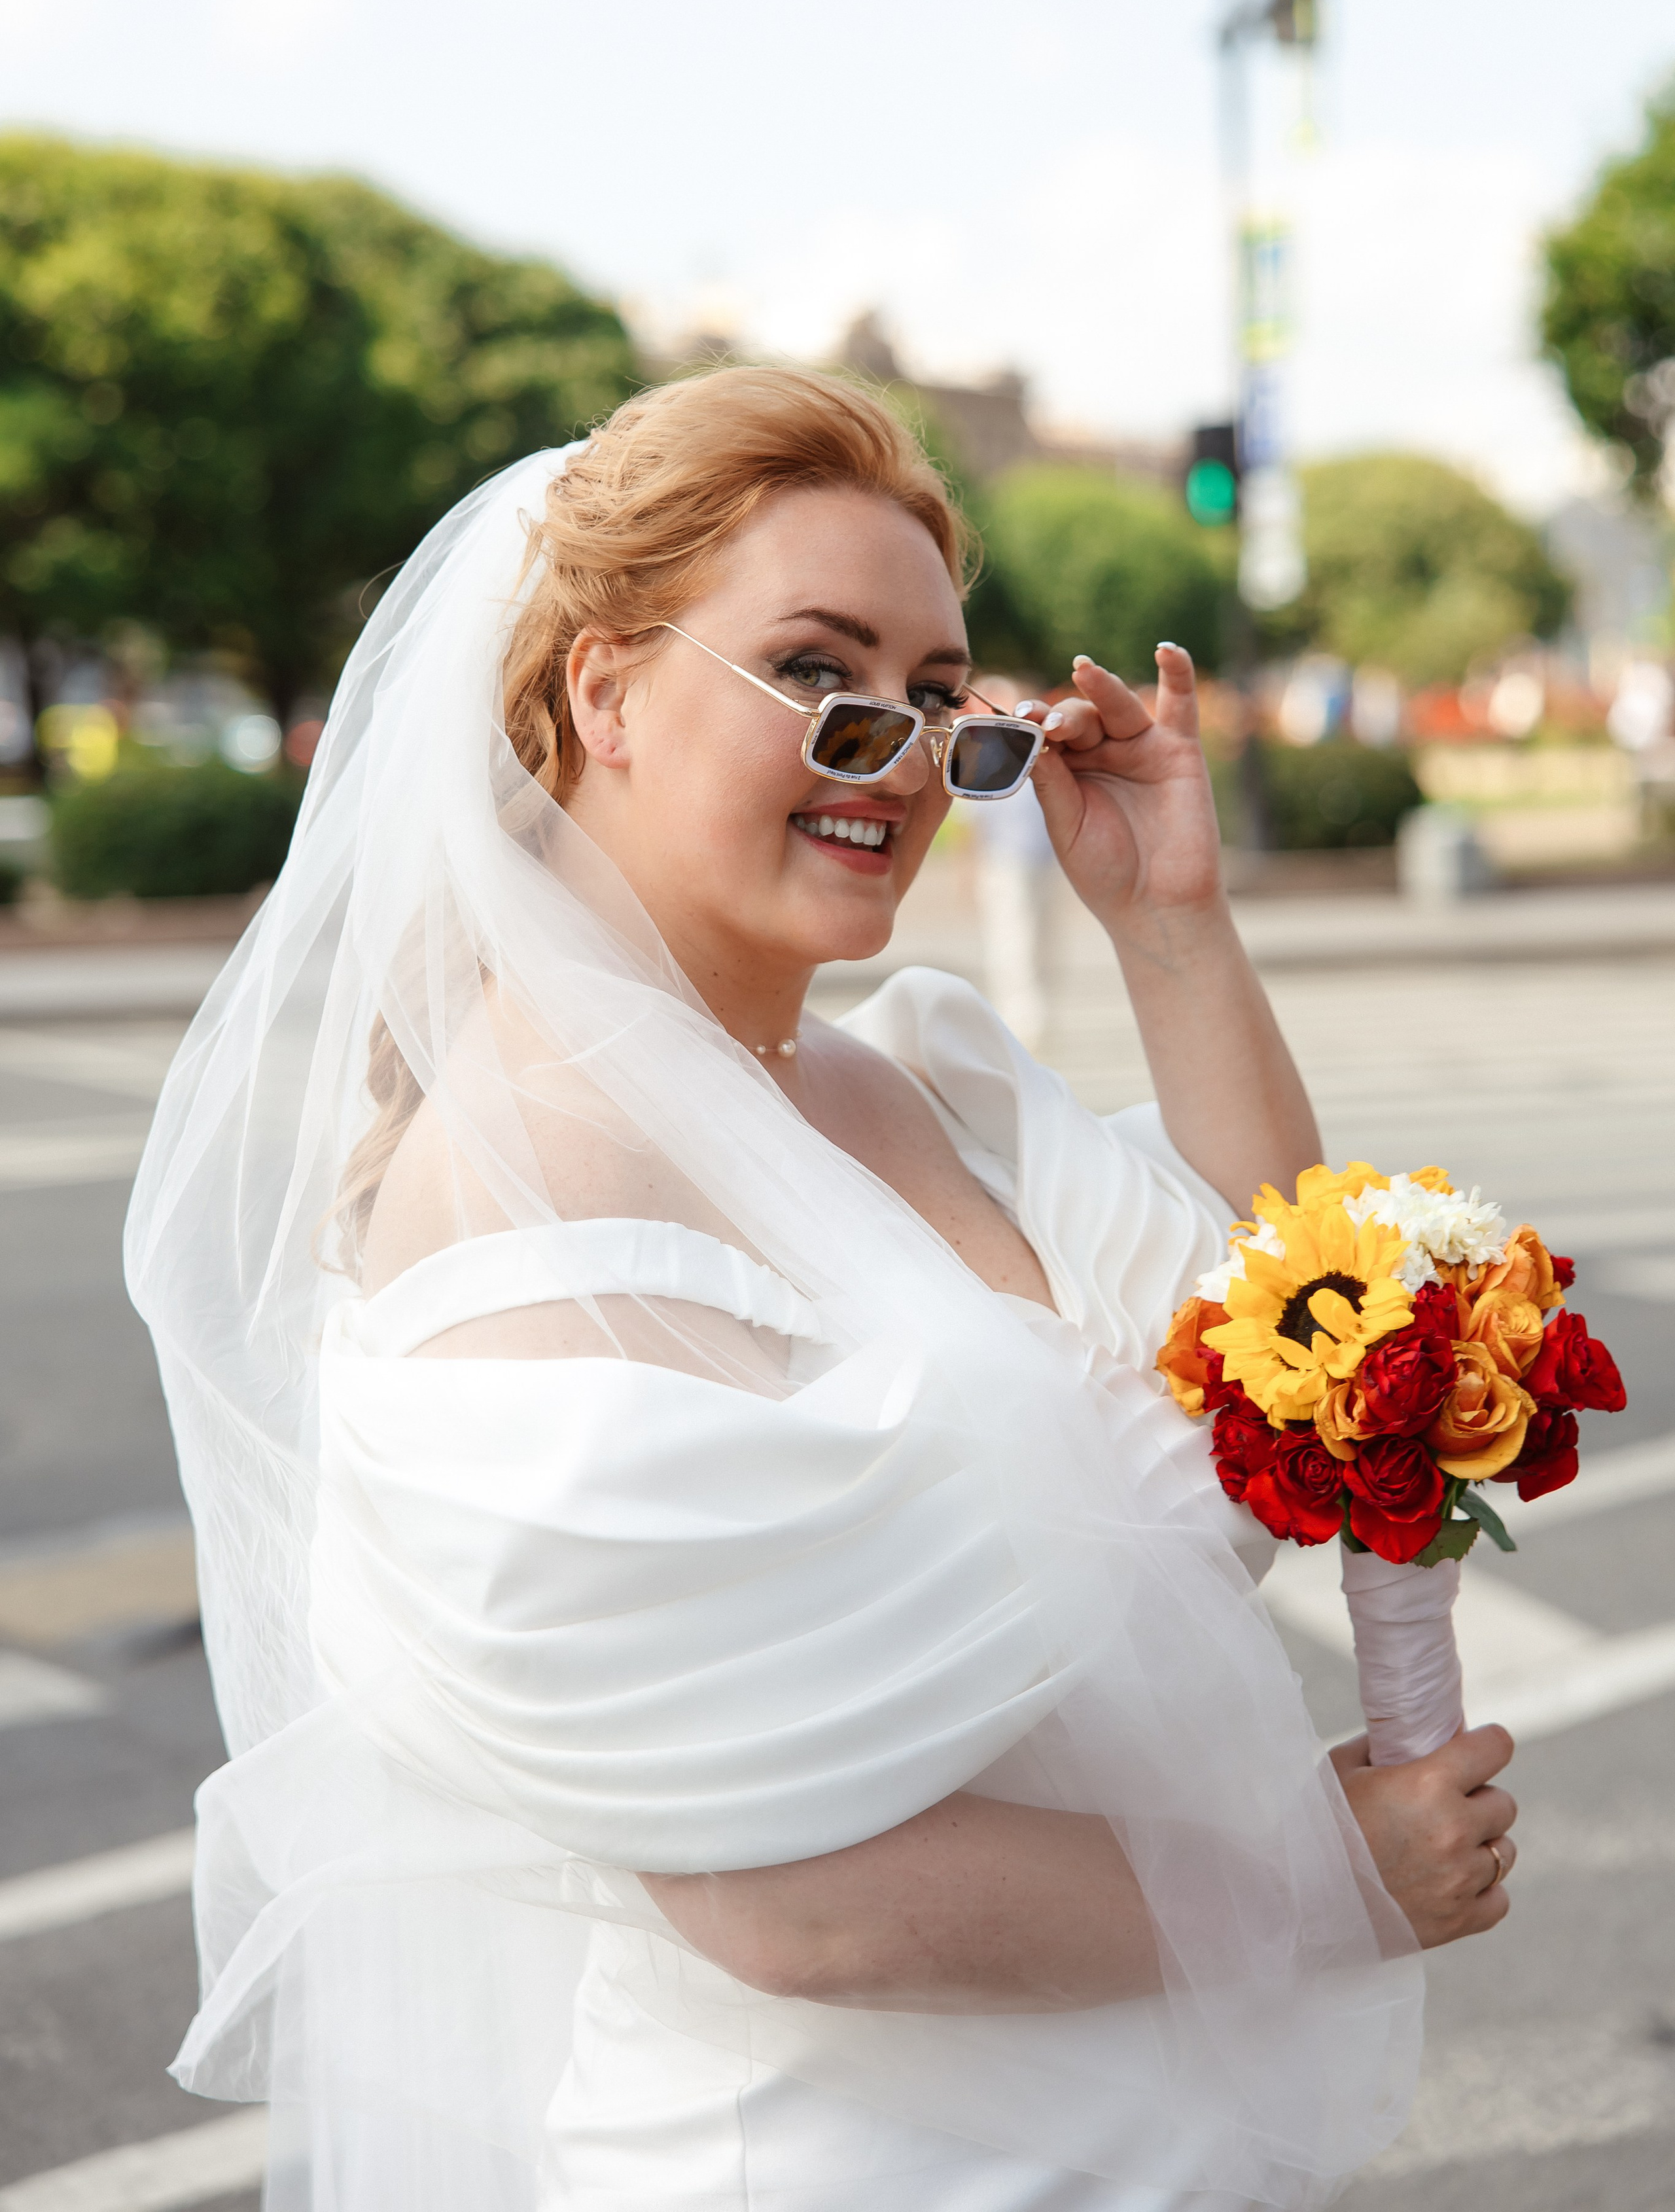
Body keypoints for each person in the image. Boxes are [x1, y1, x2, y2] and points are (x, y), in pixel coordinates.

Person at [126, 368, 1516, 2212]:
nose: (902, 752)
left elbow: (1292, 1332)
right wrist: (1323, 1883)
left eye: (941, 700)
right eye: (813, 671)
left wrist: (1172, 927)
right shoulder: (510, 1217)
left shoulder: (895, 1075)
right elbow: (781, 1904)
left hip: (1150, 2138)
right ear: (601, 691)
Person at [966, 671, 1057, 1050]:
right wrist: (970, 870)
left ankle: (1034, 1016)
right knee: (1012, 940)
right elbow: (973, 823)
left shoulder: (1030, 752)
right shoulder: (984, 755)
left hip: (1039, 860)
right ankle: (1021, 1019)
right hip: (1005, 861)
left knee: (1040, 940)